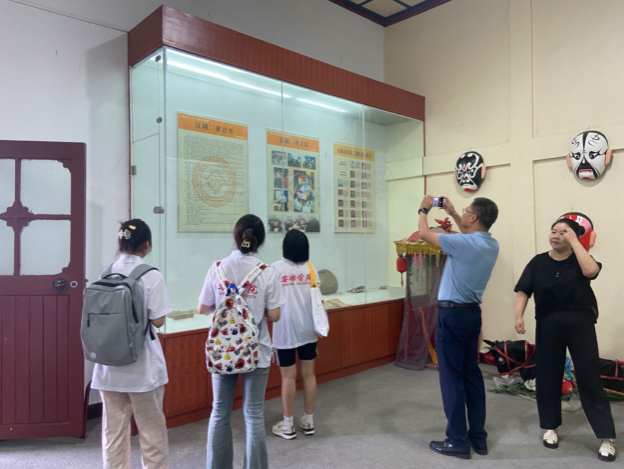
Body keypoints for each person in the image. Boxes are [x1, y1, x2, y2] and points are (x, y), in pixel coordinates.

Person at [514, 218, 616, 462]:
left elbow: (591, 272)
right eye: (554, 231)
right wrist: (518, 315)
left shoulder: (582, 259)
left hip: (580, 324)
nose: (556, 235)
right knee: (548, 375)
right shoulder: (538, 262)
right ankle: (550, 427)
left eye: (564, 232)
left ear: (574, 237)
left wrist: (576, 243)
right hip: (548, 324)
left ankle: (606, 436)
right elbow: (523, 289)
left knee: (589, 377)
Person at [198, 214, 284, 469]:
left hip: (223, 349)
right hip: (256, 351)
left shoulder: (217, 268)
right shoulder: (266, 272)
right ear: (260, 240)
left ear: (236, 236)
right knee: (253, 414)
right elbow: (275, 315)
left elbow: (203, 307)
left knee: (219, 411)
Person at [417, 195, 499, 460]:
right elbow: (469, 234)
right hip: (472, 315)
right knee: (471, 374)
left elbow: (423, 233)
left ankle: (457, 441)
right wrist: (453, 212)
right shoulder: (491, 244)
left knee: (451, 377)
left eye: (465, 211)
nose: (462, 214)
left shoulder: (463, 243)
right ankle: (478, 438)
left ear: (473, 217)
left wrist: (423, 209)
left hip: (451, 315)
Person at [92, 219, 172, 469]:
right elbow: (158, 321)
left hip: (108, 367)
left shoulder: (105, 272)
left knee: (113, 434)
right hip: (142, 369)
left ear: (120, 243)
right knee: (152, 434)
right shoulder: (151, 275)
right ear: (146, 245)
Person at [270, 229, 319, 440]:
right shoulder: (311, 268)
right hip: (308, 329)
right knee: (309, 375)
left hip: (285, 331)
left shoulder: (275, 269)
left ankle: (288, 425)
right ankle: (308, 421)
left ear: (285, 246)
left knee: (288, 377)